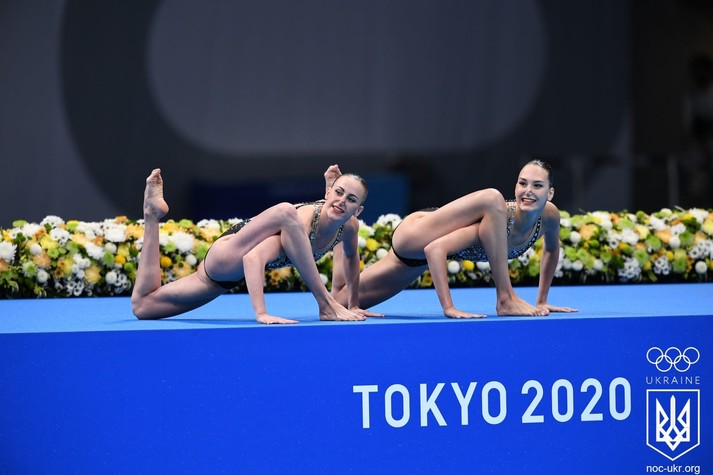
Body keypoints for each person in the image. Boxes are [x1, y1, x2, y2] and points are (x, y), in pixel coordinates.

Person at [328, 160, 578, 318]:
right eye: (523, 183)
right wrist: (449, 307)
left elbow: (551, 251)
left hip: (413, 261)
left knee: (339, 301)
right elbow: (435, 248)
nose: (528, 191)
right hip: (417, 233)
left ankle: (330, 194)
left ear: (550, 193)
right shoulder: (495, 216)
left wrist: (542, 300)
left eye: (537, 186)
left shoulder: (550, 216)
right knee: (492, 197)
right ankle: (505, 297)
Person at [131, 168, 371, 324]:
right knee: (286, 211)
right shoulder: (298, 225)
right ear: (328, 193)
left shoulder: (349, 226)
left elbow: (350, 258)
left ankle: (151, 214)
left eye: (350, 199)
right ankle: (325, 303)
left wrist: (354, 304)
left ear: (358, 210)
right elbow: (252, 258)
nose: (342, 201)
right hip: (228, 255)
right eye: (338, 192)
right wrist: (261, 313)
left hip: (223, 278)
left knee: (143, 307)